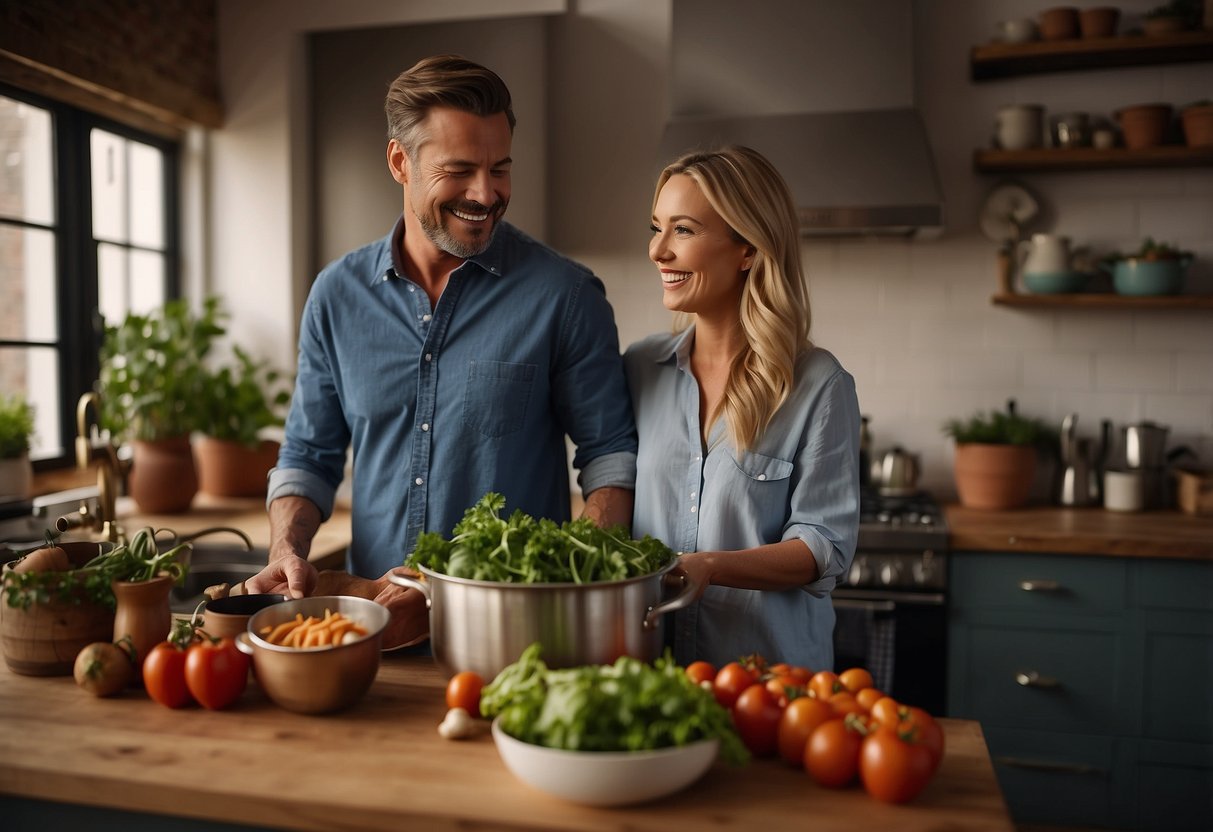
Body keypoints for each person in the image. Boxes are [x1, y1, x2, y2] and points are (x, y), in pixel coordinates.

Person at [245, 55, 637, 645]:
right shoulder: (336, 295)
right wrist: (287, 548)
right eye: (459, 170)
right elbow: (307, 455)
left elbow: (610, 460)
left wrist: (572, 579)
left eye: (500, 168)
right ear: (400, 162)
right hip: (373, 635)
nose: (486, 194)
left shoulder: (566, 296)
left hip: (513, 641)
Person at [624, 145, 859, 671]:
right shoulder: (639, 369)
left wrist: (711, 566)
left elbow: (823, 546)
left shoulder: (818, 385)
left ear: (748, 249)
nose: (657, 250)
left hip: (768, 684)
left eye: (682, 230)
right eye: (656, 227)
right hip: (653, 676)